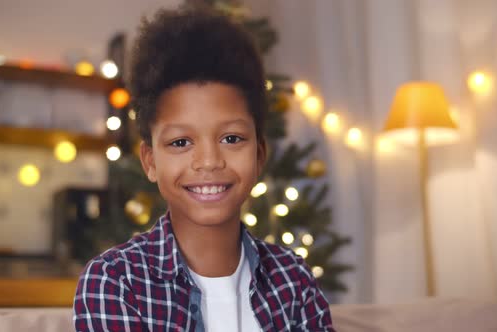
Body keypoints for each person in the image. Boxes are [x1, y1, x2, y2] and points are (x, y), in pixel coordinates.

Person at [73, 5, 333, 332]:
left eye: (231, 138)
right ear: (150, 161)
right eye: (181, 142)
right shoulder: (115, 281)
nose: (209, 161)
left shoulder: (293, 280)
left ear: (260, 154)